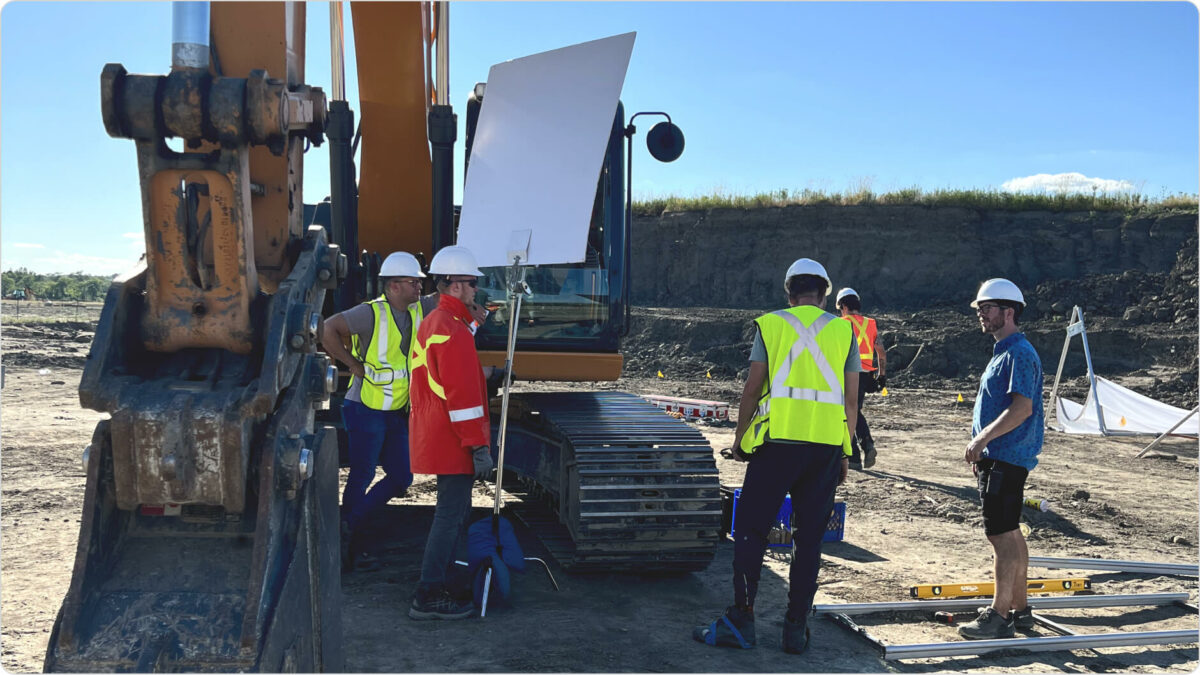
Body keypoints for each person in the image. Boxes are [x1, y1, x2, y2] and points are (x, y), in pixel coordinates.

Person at [693, 258, 859, 654]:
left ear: (789, 293)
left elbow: (752, 388)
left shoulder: (772, 325)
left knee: (751, 531)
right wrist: (845, 452)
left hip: (776, 445)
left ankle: (741, 620)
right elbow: (851, 399)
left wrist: (738, 441)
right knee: (810, 539)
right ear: (824, 294)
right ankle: (795, 630)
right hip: (824, 449)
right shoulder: (843, 332)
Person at [321, 251, 436, 569]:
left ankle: (349, 523)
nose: (419, 288)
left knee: (401, 476)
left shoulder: (416, 310)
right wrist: (352, 365)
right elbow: (326, 329)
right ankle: (346, 538)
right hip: (365, 408)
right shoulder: (369, 314)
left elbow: (446, 298)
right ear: (395, 286)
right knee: (362, 474)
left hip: (395, 410)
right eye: (414, 282)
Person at [408, 245, 494, 620]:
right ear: (456, 285)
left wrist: (477, 321)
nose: (476, 289)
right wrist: (478, 446)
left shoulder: (436, 323)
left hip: (438, 431)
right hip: (454, 436)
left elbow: (449, 354)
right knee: (450, 514)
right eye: (472, 283)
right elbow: (463, 398)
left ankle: (439, 581)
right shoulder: (453, 333)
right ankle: (428, 593)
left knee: (453, 512)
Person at [957, 278, 1044, 639]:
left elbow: (1022, 408)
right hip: (1004, 458)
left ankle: (999, 615)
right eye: (980, 308)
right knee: (1009, 532)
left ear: (1009, 312)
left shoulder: (1019, 353)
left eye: (987, 308)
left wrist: (981, 439)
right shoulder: (1006, 352)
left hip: (1005, 457)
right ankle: (1021, 611)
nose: (981, 314)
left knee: (1000, 536)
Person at [835, 287, 887, 469]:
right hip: (866, 375)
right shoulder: (871, 324)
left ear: (843, 306)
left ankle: (857, 453)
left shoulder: (840, 323)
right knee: (854, 410)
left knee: (848, 411)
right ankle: (861, 449)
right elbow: (880, 351)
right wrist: (882, 375)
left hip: (848, 373)